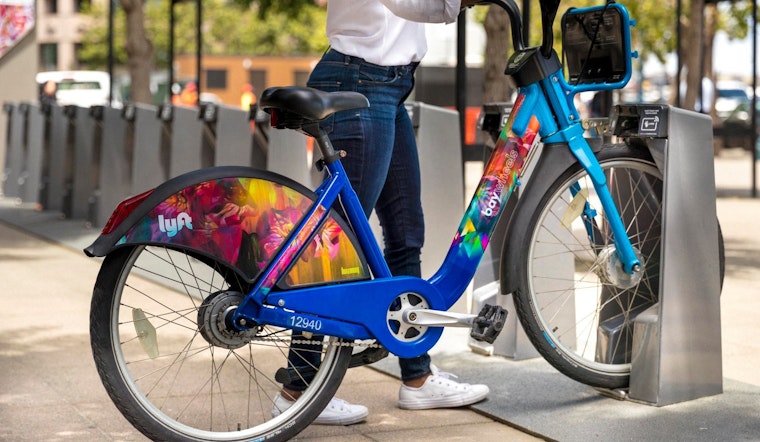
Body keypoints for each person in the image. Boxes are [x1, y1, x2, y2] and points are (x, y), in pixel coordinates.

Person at [272, 0, 488, 425]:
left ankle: (418, 378)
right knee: (337, 240)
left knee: (405, 232)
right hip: (360, 78)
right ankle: (298, 386)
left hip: (388, 85)